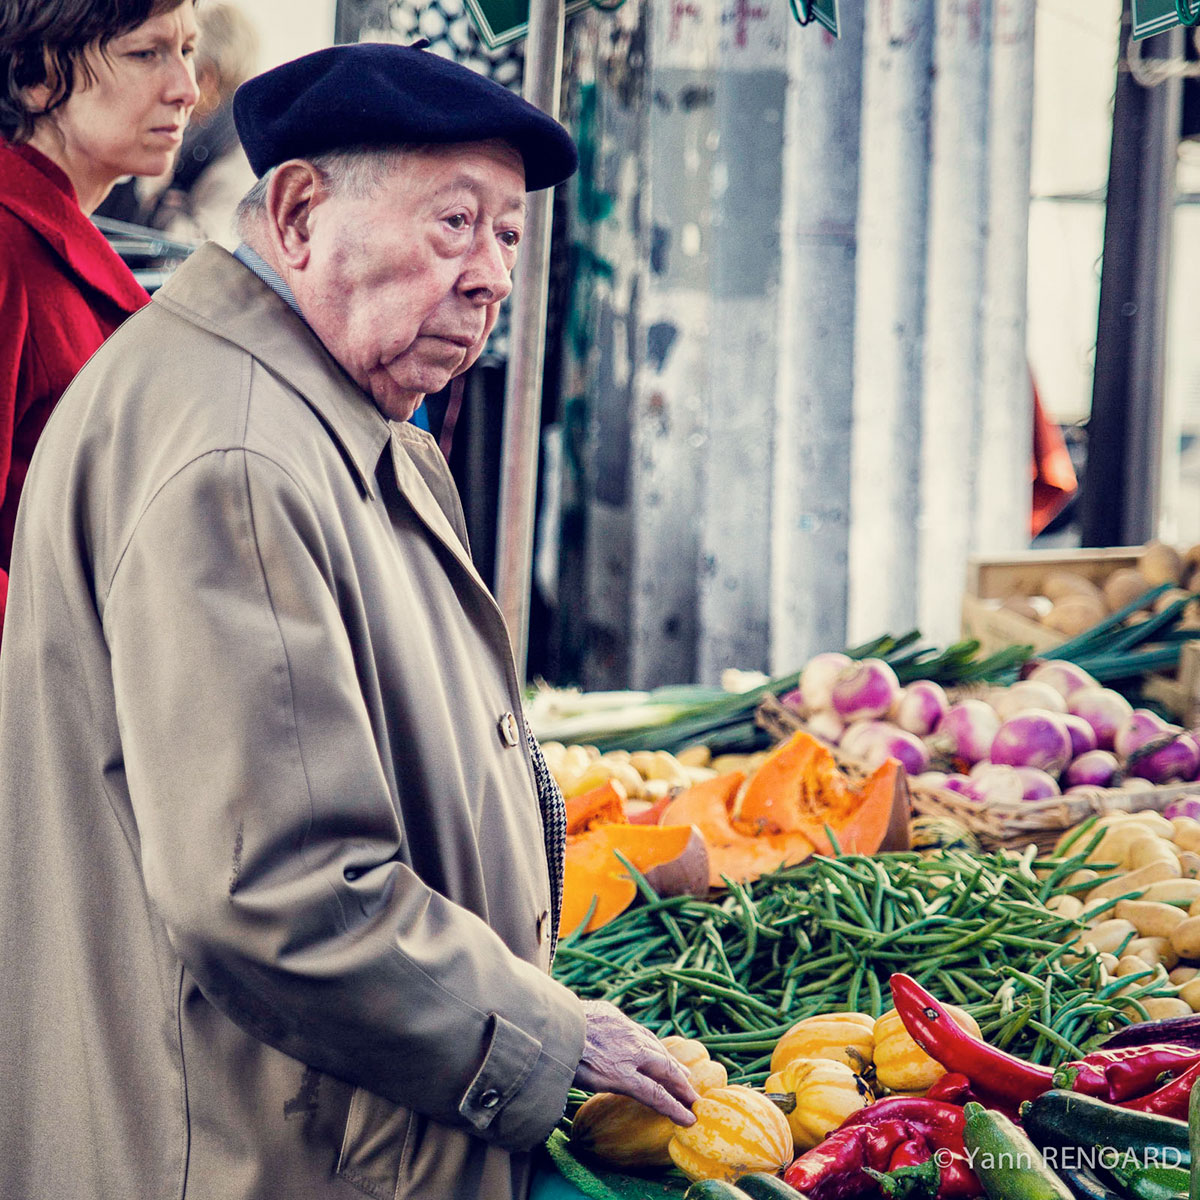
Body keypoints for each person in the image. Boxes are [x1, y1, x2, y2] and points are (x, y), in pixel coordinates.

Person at [0, 41, 697, 1200]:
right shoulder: (237, 454)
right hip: (245, 1150)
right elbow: (282, 888)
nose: (490, 277)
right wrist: (542, 1037)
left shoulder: (319, 414)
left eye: (510, 238)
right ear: (300, 212)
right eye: (453, 224)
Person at [0, 0, 200, 640]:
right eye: (146, 53)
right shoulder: (6, 244)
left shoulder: (50, 234)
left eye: (187, 50)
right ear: (37, 75)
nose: (186, 89)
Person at [143, 1, 260, 247]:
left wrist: (158, 197)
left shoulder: (239, 149)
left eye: (186, 54)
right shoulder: (204, 129)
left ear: (207, 77)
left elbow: (207, 248)